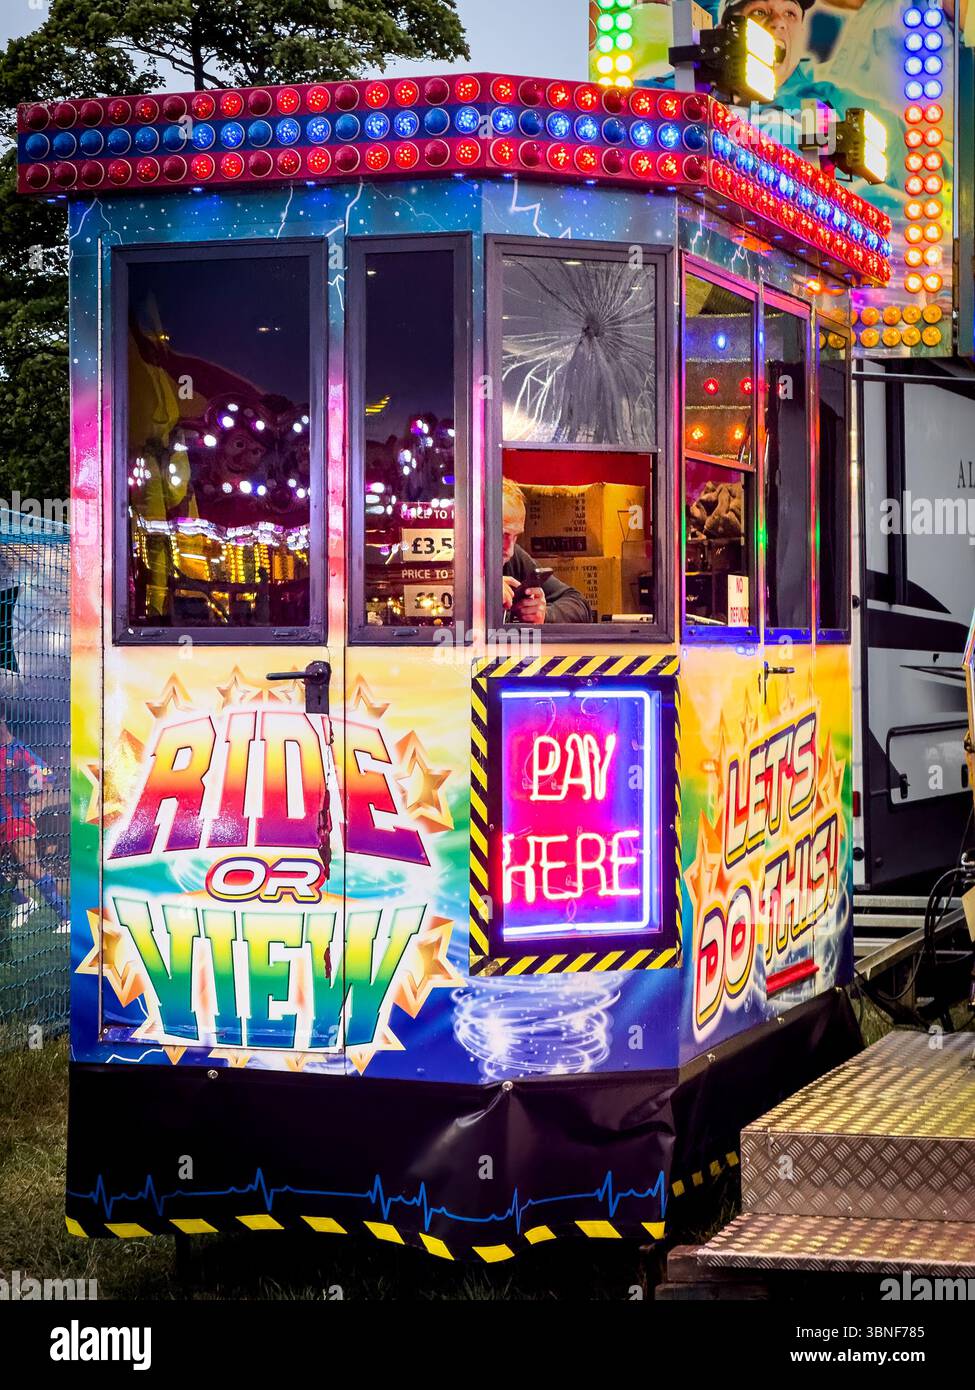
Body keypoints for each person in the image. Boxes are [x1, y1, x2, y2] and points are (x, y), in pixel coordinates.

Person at [0, 707, 67, 920]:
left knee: (30, 864)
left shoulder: (19, 751)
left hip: (16, 815)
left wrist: (39, 800)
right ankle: (23, 902)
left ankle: (65, 915)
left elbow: (44, 776)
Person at [501, 478, 591, 625]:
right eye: (501, 535)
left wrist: (545, 613)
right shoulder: (452, 560)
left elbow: (579, 604)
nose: (509, 551)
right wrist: (480, 591)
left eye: (515, 536)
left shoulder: (515, 558)